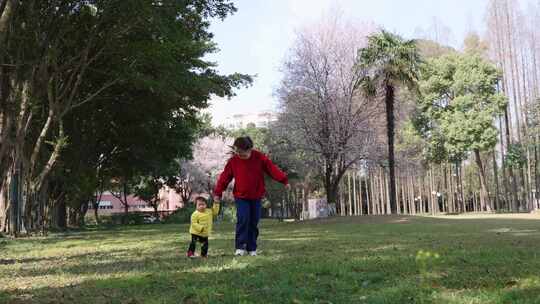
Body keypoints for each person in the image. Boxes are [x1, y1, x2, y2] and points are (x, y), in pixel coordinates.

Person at [213, 136, 290, 256]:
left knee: (254, 222)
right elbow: (224, 178)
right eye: (237, 151)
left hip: (256, 196)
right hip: (241, 196)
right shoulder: (234, 161)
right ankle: (240, 247)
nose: (239, 154)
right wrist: (218, 193)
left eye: (241, 152)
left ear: (249, 149)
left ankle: (251, 248)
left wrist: (284, 180)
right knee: (243, 219)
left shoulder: (259, 157)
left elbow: (272, 169)